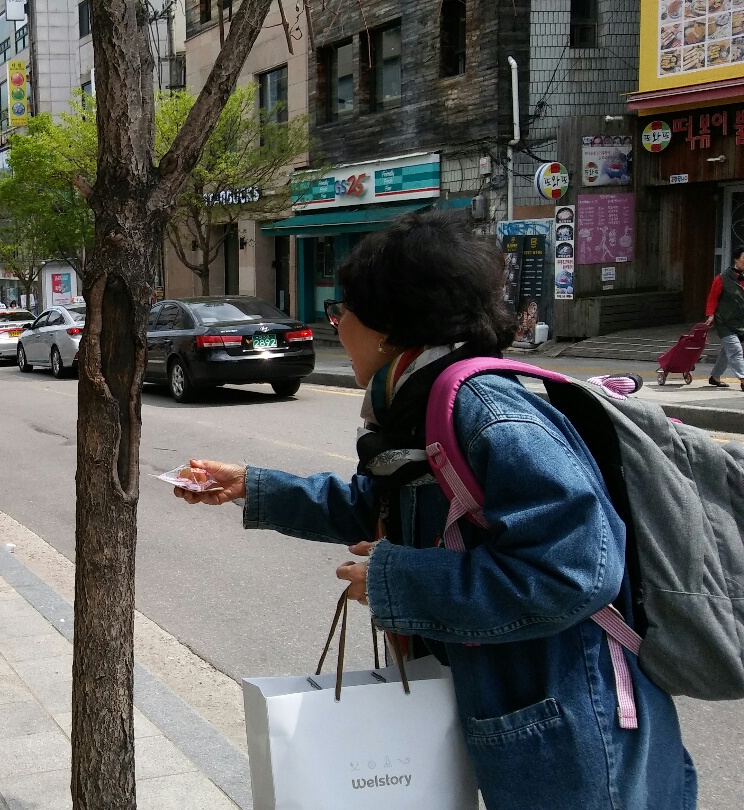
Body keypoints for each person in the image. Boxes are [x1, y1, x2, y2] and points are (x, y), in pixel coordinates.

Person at [175, 211, 694, 810]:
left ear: (390, 326)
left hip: (577, 727)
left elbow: (572, 571)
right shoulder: (418, 407)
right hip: (512, 706)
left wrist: (398, 580)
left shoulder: (485, 412)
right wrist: (252, 486)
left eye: (343, 312)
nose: (337, 325)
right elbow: (382, 506)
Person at [705, 247, 744, 390]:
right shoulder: (722, 278)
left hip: (740, 322)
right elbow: (713, 298)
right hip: (724, 321)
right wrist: (710, 315)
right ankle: (743, 379)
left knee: (727, 351)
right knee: (735, 349)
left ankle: (715, 377)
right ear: (736, 260)